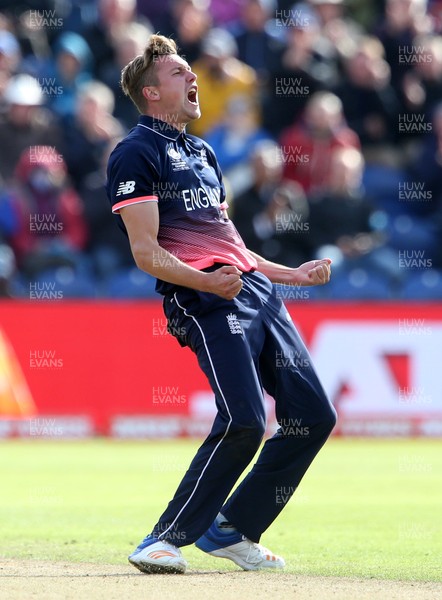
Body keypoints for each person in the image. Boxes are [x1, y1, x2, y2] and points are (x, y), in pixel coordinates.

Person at [106, 34, 336, 575]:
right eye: (180, 73)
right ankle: (161, 539)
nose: (192, 79)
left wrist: (290, 274)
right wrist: (206, 285)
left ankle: (233, 530)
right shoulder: (135, 151)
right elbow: (146, 252)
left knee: (313, 416)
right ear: (150, 92)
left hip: (256, 291)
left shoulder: (202, 150)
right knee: (244, 419)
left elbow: (229, 244)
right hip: (204, 298)